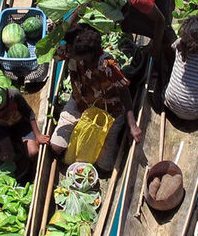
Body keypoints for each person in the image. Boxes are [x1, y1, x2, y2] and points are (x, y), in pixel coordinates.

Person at [50, 24, 142, 170]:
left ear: (87, 54)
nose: (68, 53)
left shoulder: (107, 65)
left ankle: (116, 138)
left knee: (105, 165)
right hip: (80, 101)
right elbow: (51, 54)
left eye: (72, 53)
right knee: (56, 147)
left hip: (109, 110)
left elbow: (124, 92)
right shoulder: (70, 50)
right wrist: (54, 33)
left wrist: (132, 125)